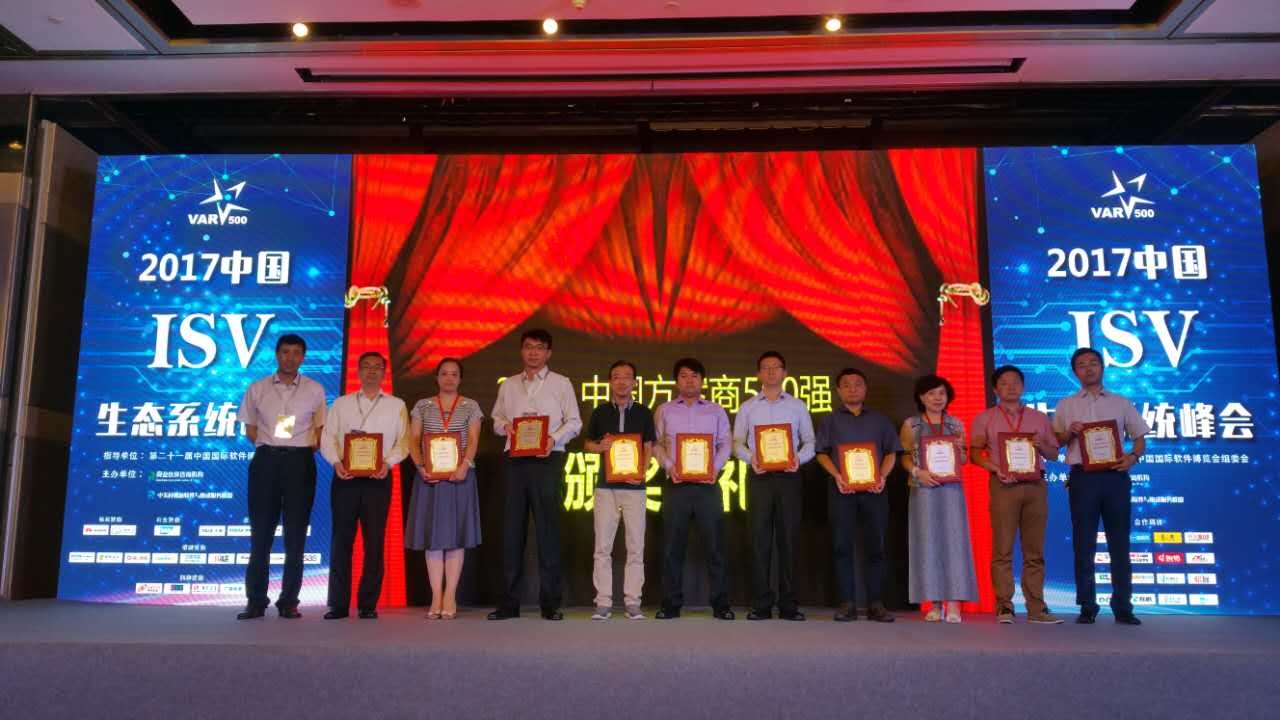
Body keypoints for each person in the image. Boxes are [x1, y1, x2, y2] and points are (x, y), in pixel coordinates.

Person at [488, 329, 582, 621]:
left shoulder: (561, 383)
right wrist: (505, 427)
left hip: (547, 461)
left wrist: (552, 438)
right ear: (521, 350)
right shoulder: (509, 385)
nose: (533, 353)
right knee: (512, 533)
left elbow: (575, 422)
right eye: (528, 347)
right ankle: (509, 604)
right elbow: (496, 418)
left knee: (548, 532)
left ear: (548, 353)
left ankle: (550, 603)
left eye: (539, 348)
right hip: (515, 462)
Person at [1053, 348, 1148, 626]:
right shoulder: (1066, 404)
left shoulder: (1121, 402)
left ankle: (1123, 606)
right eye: (1082, 365)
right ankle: (1087, 605)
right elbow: (1056, 441)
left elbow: (1140, 437)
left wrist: (1132, 457)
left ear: (1102, 367)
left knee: (1120, 543)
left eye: (1093, 363)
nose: (1088, 368)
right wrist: (1069, 433)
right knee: (1083, 543)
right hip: (1083, 478)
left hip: (1115, 476)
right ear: (1075, 372)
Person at [235, 333, 327, 620]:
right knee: (260, 535)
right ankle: (255, 601)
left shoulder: (315, 390)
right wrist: (272, 445)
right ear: (277, 355)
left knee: (295, 536)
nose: (290, 357)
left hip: (300, 463)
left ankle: (289, 601)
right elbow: (250, 428)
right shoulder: (257, 388)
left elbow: (320, 429)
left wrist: (298, 449)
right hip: (266, 462)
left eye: (296, 352)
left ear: (303, 357)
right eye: (285, 352)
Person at [969, 365, 1063, 625]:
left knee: (1035, 550)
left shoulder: (1039, 418)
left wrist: (1041, 445)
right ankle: (1004, 606)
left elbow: (1054, 454)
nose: (1010, 387)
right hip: (1003, 485)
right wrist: (995, 469)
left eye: (1015, 383)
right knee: (1003, 549)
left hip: (1035, 486)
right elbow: (974, 453)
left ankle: (1036, 608)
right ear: (995, 389)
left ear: (1023, 387)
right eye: (1004, 383)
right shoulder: (985, 418)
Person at [318, 352, 408, 620]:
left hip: (378, 479)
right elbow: (328, 437)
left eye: (377, 367)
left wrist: (388, 463)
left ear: (384, 372)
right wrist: (336, 462)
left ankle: (368, 604)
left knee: (375, 542)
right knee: (341, 541)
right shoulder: (341, 404)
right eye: (366, 367)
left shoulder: (397, 405)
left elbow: (403, 443)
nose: (371, 371)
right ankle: (338, 604)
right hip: (345, 478)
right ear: (358, 371)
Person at [732, 351, 815, 621]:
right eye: (765, 368)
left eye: (775, 367)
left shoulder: (797, 406)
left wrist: (798, 459)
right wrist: (751, 458)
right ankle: (761, 604)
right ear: (758, 374)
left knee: (789, 540)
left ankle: (789, 604)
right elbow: (737, 443)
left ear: (784, 373)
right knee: (759, 541)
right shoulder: (748, 407)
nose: (770, 372)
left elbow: (810, 442)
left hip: (789, 477)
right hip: (759, 477)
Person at [814, 368, 900, 623]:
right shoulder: (830, 420)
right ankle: (847, 603)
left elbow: (891, 452)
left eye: (858, 384)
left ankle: (876, 603)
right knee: (842, 546)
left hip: (875, 491)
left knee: (877, 546)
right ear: (838, 391)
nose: (853, 389)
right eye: (847, 385)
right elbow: (821, 454)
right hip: (842, 491)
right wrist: (837, 476)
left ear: (865, 388)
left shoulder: (881, 420)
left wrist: (882, 477)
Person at [653, 357, 734, 620]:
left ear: (702, 381)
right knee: (672, 548)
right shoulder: (664, 410)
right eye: (684, 376)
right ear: (676, 381)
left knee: (715, 547)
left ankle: (721, 604)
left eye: (695, 376)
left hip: (707, 486)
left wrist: (715, 468)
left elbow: (726, 443)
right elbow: (656, 444)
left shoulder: (716, 410)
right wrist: (669, 466)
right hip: (676, 485)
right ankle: (670, 604)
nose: (689, 380)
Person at [406, 357, 483, 620]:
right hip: (429, 477)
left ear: (460, 379)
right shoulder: (422, 406)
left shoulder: (471, 406)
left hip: (460, 477)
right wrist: (419, 465)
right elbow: (413, 438)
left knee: (456, 537)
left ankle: (450, 594)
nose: (449, 378)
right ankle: (435, 595)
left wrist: (465, 465)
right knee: (433, 538)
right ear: (437, 377)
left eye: (454, 374)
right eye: (444, 373)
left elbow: (473, 440)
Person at [899, 374, 978, 623]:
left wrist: (961, 449)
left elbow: (963, 459)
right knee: (927, 543)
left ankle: (954, 604)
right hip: (923, 487)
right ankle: (934, 604)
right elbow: (904, 456)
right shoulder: (911, 424)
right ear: (921, 397)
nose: (937, 398)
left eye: (942, 393)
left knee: (954, 542)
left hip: (951, 489)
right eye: (931, 393)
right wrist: (917, 471)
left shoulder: (955, 424)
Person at [583, 360, 656, 621]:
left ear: (635, 382)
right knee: (602, 547)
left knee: (636, 547)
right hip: (606, 488)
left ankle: (633, 602)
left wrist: (642, 472)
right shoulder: (600, 411)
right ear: (610, 382)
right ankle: (603, 602)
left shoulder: (644, 412)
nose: (622, 381)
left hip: (635, 488)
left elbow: (648, 446)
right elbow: (588, 443)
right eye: (616, 377)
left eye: (627, 377)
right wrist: (599, 447)